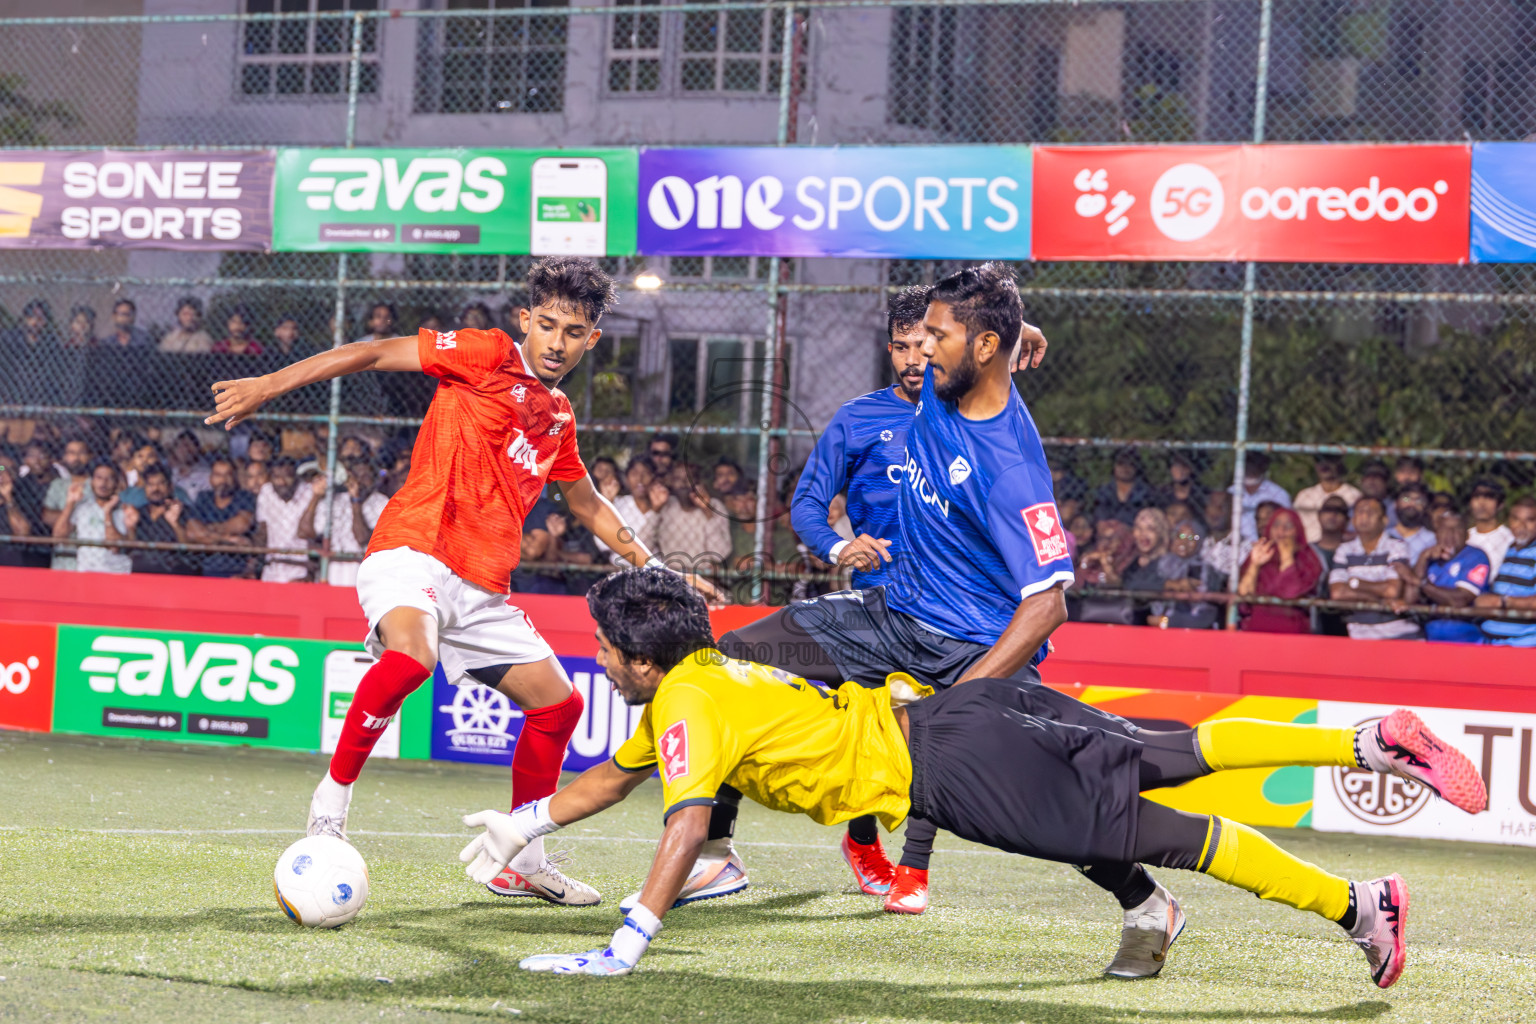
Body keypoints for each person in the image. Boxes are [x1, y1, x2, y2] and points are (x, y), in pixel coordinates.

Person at [465, 567, 1489, 988]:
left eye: (605, 648)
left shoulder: (687, 702)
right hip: (960, 710)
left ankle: (1359, 905)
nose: (599, 659)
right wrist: (525, 824)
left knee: (1160, 835)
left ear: (641, 659)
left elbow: (685, 825)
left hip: (954, 770)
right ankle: (1361, 751)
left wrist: (627, 942)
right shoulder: (709, 674)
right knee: (1167, 752)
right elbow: (611, 782)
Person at [701, 266, 1176, 978]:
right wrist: (1017, 329)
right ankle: (715, 853)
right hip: (895, 612)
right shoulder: (927, 395)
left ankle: (1145, 901)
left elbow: (1049, 604)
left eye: (933, 337)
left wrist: (964, 701)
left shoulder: (1011, 464)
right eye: (912, 338)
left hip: (978, 646)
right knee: (732, 659)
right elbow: (978, 336)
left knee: (1036, 804)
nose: (919, 351)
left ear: (978, 347)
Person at [204, 256, 718, 907]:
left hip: (482, 590)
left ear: (591, 339)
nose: (557, 342)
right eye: (548, 325)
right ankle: (330, 804)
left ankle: (522, 862)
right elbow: (373, 352)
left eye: (574, 332)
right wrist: (269, 385)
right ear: (525, 320)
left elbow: (587, 504)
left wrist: (657, 567)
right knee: (411, 658)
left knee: (559, 707)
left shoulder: (559, 417)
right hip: (413, 549)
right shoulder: (485, 354)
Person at [1328, 497, 1419, 640]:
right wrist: (1379, 601)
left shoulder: (1397, 546)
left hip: (1399, 635)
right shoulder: (1344, 550)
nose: (1364, 516)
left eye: (1371, 512)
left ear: (1384, 520)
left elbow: (1392, 591)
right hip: (1359, 635)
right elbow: (1338, 593)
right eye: (1360, 512)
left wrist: (1356, 583)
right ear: (1353, 520)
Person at [299, 458, 389, 587]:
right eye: (356, 476)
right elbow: (304, 532)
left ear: (375, 479)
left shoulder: (381, 502)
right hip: (333, 570)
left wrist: (355, 501)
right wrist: (316, 496)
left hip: (361, 571)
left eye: (365, 477)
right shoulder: (338, 500)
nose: (359, 481)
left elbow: (362, 538)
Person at [1410, 510, 1490, 644]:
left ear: (1467, 535)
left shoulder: (1476, 556)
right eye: (1444, 529)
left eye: (1456, 529)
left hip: (1469, 641)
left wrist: (1423, 584)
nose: (1450, 535)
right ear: (1436, 534)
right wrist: (1422, 559)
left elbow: (1459, 600)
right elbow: (1410, 598)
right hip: (1430, 640)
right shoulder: (1429, 557)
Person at [1237, 508, 1323, 634]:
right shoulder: (1260, 553)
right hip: (1258, 629)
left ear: (1298, 531)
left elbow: (1290, 593)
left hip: (1293, 630)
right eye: (1276, 525)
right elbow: (1244, 594)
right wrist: (1255, 565)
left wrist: (1287, 557)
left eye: (1288, 526)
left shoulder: (1307, 558)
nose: (1281, 531)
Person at [645, 464, 733, 572]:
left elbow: (720, 554)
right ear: (671, 482)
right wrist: (656, 509)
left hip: (703, 574)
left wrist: (707, 510)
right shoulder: (664, 504)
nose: (683, 483)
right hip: (670, 573)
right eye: (677, 479)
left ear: (699, 482)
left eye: (689, 478)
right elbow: (644, 545)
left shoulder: (715, 505)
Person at [1474, 497, 1536, 648]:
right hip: (1492, 643)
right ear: (1509, 521)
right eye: (1516, 519)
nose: (1521, 526)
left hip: (1523, 645)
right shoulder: (1509, 549)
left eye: (1530, 520)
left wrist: (1504, 602)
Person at [51, 458, 131, 575]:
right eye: (99, 478)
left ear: (117, 483)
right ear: (91, 481)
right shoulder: (82, 508)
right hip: (86, 573)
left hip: (117, 574)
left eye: (109, 479)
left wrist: (107, 513)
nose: (103, 483)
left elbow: (114, 547)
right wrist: (70, 503)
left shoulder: (125, 510)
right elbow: (58, 536)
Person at [1101, 508, 1176, 625]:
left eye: (1150, 529)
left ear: (1160, 533)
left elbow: (1143, 587)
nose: (1143, 534)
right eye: (1139, 528)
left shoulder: (1168, 562)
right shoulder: (1131, 560)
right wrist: (1105, 565)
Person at [186, 456, 256, 578]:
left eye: (228, 475)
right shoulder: (204, 497)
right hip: (207, 567)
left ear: (234, 478)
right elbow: (192, 532)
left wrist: (208, 531)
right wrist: (227, 539)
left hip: (238, 569)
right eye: (218, 475)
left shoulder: (244, 496)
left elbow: (242, 524)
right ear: (210, 478)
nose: (223, 480)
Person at [118, 463, 192, 575]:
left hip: (173, 574)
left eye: (161, 484)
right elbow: (129, 549)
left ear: (170, 487)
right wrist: (131, 528)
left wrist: (175, 524)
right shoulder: (138, 513)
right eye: (150, 484)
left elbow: (190, 550)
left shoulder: (183, 511)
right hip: (141, 574)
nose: (155, 489)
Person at [254, 457, 312, 582]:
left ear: (296, 477)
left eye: (287, 476)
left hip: (301, 569)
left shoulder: (309, 491)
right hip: (273, 568)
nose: (282, 482)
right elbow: (263, 530)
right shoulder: (267, 491)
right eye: (276, 477)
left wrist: (311, 573)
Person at [41, 437, 93, 570]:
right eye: (71, 453)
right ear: (64, 458)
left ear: (89, 456)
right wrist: (83, 518)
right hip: (63, 557)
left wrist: (65, 519)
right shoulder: (57, 484)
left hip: (91, 556)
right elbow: (47, 516)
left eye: (81, 452)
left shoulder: (98, 485)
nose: (76, 457)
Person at [1293, 455, 1361, 543]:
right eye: (1318, 460)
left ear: (1339, 462)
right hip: (1307, 548)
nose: (1324, 464)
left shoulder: (1355, 496)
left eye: (1329, 460)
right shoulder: (1304, 495)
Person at [1312, 494, 1353, 636]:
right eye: (1328, 509)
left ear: (1347, 520)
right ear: (1319, 516)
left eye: (1339, 511)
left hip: (1349, 622)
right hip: (1314, 622)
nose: (1333, 514)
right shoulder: (1307, 551)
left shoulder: (1355, 552)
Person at [1231, 452, 1292, 541]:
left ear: (1263, 467)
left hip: (1269, 543)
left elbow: (1287, 523)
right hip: (1235, 545)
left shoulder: (1279, 495)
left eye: (1254, 464)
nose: (1250, 468)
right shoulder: (1232, 492)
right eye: (1248, 464)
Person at [1093, 447, 1158, 525]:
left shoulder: (1147, 492)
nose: (1125, 467)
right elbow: (1100, 516)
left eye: (1130, 464)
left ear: (1136, 467)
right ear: (1114, 466)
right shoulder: (1104, 491)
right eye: (1121, 463)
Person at [1465, 478, 1515, 575]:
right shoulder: (1464, 538)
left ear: (1500, 505)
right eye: (1476, 496)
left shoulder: (1510, 539)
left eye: (1489, 497)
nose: (1481, 503)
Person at [1386, 482, 1436, 568]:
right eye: (1406, 499)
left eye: (1419, 500)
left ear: (1426, 507)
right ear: (1395, 503)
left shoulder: (1432, 540)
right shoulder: (1382, 536)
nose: (1412, 504)